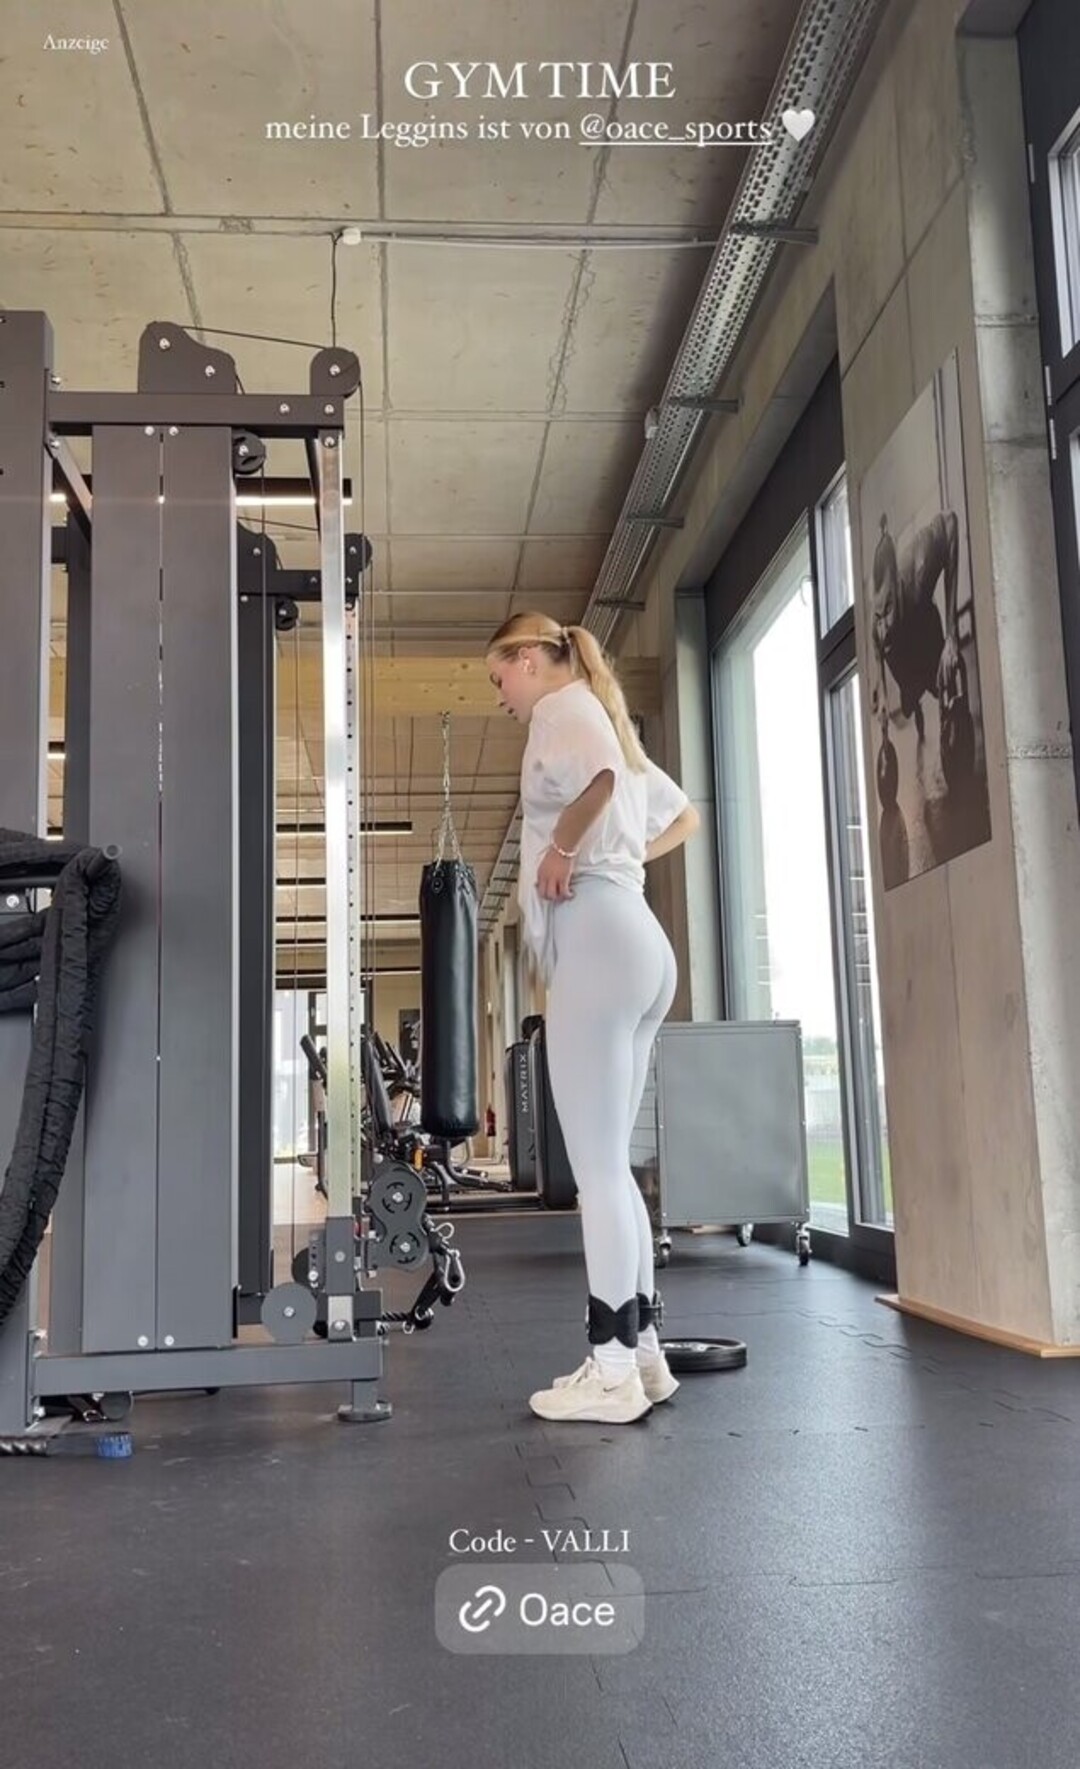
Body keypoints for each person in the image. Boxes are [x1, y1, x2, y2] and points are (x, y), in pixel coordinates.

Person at [485, 613, 700, 1424]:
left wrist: (567, 850)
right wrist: (615, 856)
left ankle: (609, 1370)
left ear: (529, 658)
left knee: (599, 1172)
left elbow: (603, 780)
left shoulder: (561, 709)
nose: (500, 695)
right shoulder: (603, 711)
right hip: (639, 941)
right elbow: (682, 816)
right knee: (615, 1168)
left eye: (500, 676)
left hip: (601, 940)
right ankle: (643, 1355)